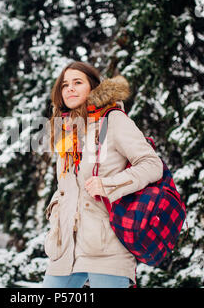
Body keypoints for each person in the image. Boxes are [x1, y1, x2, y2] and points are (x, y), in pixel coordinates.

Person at [42, 61, 163, 288]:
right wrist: (56, 212)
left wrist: (109, 185)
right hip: (65, 246)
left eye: (78, 82)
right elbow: (67, 186)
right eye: (64, 84)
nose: (69, 88)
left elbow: (151, 164)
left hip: (107, 246)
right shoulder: (66, 130)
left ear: (93, 88)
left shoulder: (114, 120)